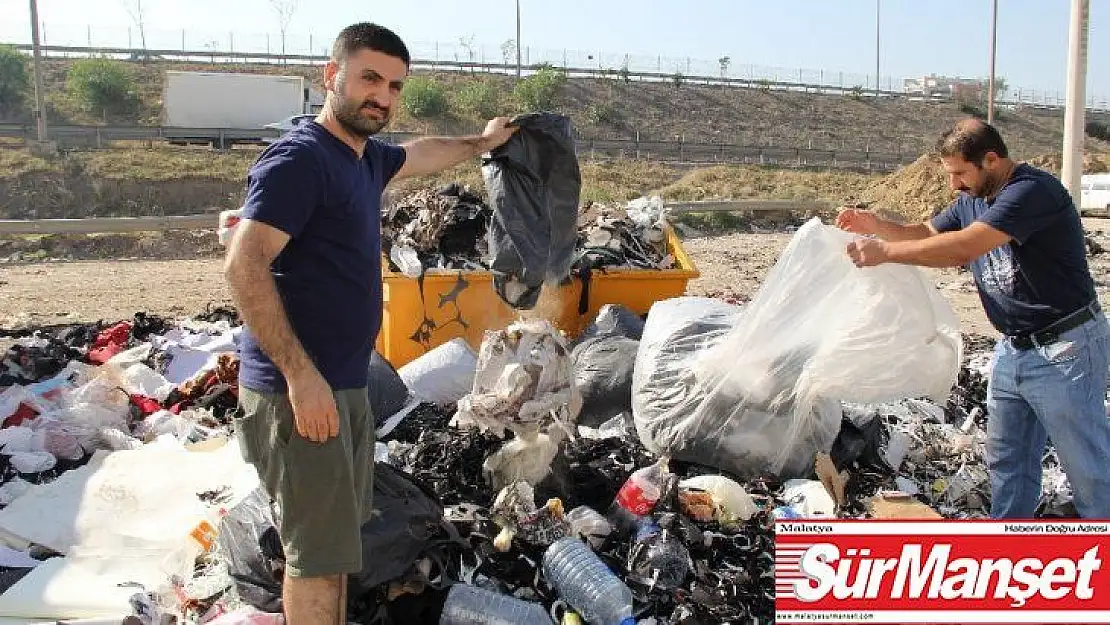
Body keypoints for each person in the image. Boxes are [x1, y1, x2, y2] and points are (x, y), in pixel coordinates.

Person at [223, 22, 516, 625]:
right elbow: (243, 266)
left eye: (394, 86)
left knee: (335, 545)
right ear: (330, 77)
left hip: (343, 385)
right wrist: (302, 379)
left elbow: (423, 151)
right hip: (299, 392)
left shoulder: (361, 158)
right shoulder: (303, 159)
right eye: (369, 78)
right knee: (315, 555)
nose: (381, 95)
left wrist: (482, 141)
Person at [836, 118, 1110, 520]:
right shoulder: (971, 199)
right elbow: (926, 231)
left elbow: (964, 247)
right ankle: (1008, 547)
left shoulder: (1032, 191)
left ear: (992, 160)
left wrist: (885, 253)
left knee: (1087, 468)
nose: (955, 185)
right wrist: (878, 226)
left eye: (960, 173)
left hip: (1064, 348)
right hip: (1013, 349)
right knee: (1008, 462)